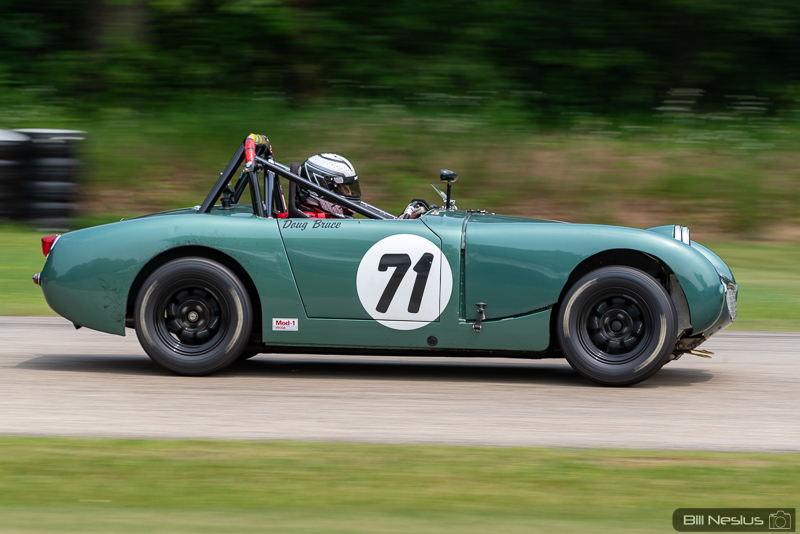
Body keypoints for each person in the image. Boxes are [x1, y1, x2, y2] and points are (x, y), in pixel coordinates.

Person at [296, 153, 428, 219]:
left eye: (350, 187)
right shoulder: (311, 222)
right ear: (321, 188)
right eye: (342, 188)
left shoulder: (329, 219)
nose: (348, 193)